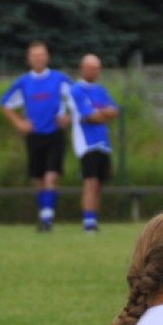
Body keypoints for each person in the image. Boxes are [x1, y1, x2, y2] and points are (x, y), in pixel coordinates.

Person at [0, 41, 73, 232]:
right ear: (29, 59)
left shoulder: (59, 79)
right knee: (39, 178)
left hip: (55, 134)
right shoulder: (23, 82)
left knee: (52, 176)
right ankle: (44, 216)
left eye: (42, 54)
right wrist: (19, 123)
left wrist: (69, 117)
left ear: (47, 57)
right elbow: (5, 104)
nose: (39, 58)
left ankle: (47, 218)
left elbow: (78, 98)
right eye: (35, 55)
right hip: (34, 135)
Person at [69, 53, 119, 233]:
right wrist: (104, 113)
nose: (95, 72)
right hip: (86, 142)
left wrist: (102, 114)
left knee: (99, 183)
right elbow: (90, 116)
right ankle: (87, 222)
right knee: (90, 181)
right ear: (82, 69)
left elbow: (115, 111)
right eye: (91, 68)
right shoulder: (76, 90)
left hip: (103, 142)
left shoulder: (101, 90)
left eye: (97, 68)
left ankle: (94, 220)